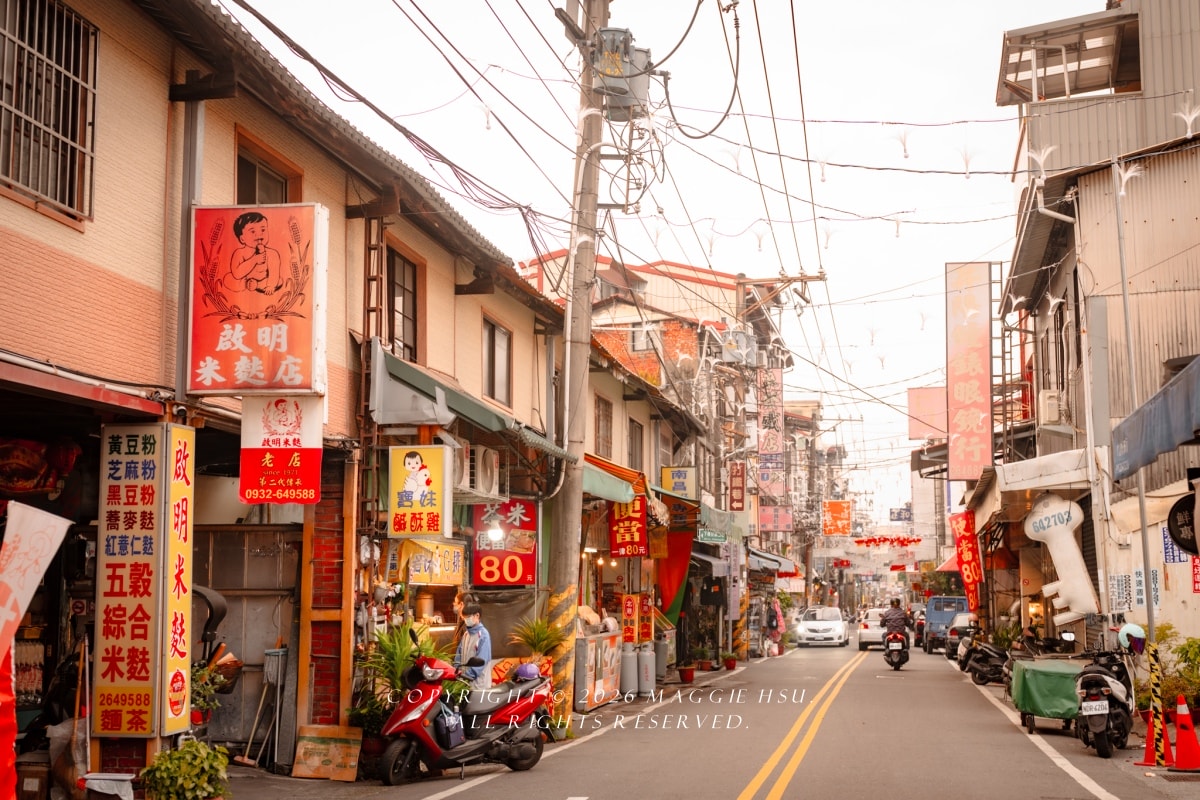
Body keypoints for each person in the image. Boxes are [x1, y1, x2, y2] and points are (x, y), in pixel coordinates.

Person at [454, 602, 492, 690]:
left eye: (468, 617)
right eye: (464, 618)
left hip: (479, 685)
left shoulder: (483, 635)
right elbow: (458, 656)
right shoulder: (466, 634)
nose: (466, 620)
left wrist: (466, 676)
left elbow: (481, 661)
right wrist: (456, 671)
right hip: (465, 682)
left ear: (477, 616)